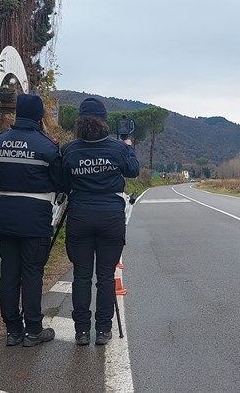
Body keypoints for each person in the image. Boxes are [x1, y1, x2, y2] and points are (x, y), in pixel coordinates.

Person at [0, 94, 63, 347]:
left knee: (9, 273)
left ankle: (13, 330)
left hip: (4, 213)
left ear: (17, 114)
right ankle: (33, 331)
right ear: (40, 117)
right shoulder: (48, 147)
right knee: (32, 274)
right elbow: (61, 182)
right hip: (35, 217)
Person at [60, 98, 140, 346]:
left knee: (81, 276)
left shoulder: (70, 150)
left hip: (80, 215)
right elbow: (133, 170)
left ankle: (82, 331)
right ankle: (103, 330)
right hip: (110, 217)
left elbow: (61, 182)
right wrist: (128, 146)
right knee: (105, 276)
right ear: (104, 121)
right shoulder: (117, 149)